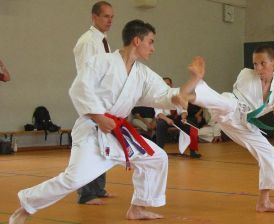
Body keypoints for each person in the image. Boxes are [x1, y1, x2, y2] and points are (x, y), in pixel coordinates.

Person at [9, 19, 200, 223]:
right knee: (74, 178)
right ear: (137, 40)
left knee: (156, 158)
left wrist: (191, 82)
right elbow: (79, 88)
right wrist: (99, 117)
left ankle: (138, 208)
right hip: (92, 128)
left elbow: (164, 94)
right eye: (151, 42)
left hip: (118, 131)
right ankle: (26, 206)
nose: (153, 48)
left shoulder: (142, 73)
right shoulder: (102, 62)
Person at [178, 45, 274, 212]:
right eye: (255, 64)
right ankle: (189, 94)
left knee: (271, 153)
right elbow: (242, 101)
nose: (258, 68)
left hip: (244, 125)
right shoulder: (246, 74)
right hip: (232, 109)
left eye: (262, 63)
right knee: (227, 103)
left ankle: (263, 202)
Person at [73, 1, 114, 205]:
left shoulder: (103, 40)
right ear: (94, 17)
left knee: (102, 144)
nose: (110, 21)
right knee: (89, 146)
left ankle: (98, 187)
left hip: (103, 99)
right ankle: (86, 193)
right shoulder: (88, 41)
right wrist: (92, 104)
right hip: (92, 100)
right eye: (106, 16)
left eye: (111, 17)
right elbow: (86, 75)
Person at [155, 77, 201, 158]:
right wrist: (167, 119)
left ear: (171, 85)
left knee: (190, 126)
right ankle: (160, 151)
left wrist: (184, 118)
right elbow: (159, 113)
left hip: (178, 118)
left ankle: (193, 151)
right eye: (164, 84)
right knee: (160, 125)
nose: (166, 85)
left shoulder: (178, 95)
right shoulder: (158, 96)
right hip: (165, 118)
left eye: (168, 84)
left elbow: (183, 110)